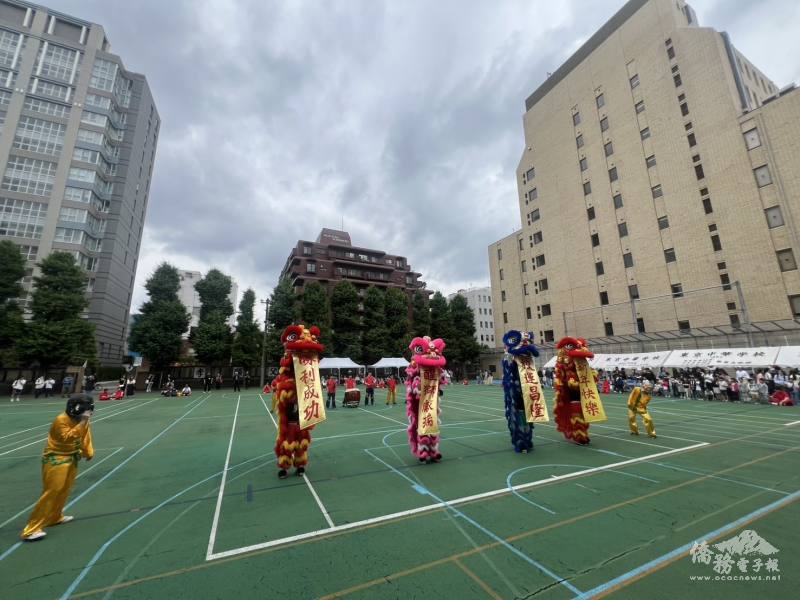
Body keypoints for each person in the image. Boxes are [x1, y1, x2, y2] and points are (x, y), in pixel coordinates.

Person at [20, 394, 94, 541]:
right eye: (86, 409)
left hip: (72, 457)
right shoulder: (61, 420)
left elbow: (85, 436)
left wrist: (88, 451)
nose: (89, 412)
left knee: (64, 489)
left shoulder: (83, 419)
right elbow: (67, 437)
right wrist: (83, 421)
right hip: (56, 459)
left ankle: (55, 516)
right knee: (52, 491)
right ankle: (31, 529)